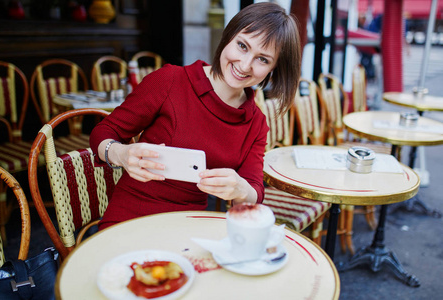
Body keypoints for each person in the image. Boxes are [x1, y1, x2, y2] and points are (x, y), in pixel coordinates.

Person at [90, 2, 301, 230]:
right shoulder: (170, 80)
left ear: (273, 69)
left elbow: (254, 191)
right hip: (132, 216)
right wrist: (120, 153)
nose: (245, 64)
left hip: (191, 226)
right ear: (228, 37)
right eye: (242, 46)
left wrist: (240, 189)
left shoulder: (256, 123)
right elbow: (103, 132)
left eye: (263, 59)